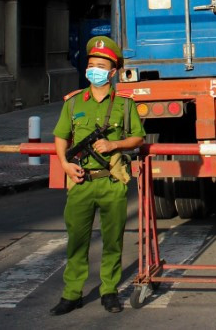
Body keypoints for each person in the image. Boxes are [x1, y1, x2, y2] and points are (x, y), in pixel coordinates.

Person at [50, 36, 145, 316]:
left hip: (111, 181)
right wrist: (65, 165)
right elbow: (60, 136)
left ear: (113, 71)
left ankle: (109, 291)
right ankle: (72, 294)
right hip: (81, 181)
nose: (95, 70)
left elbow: (138, 137)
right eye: (91, 64)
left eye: (101, 65)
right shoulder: (73, 102)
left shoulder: (125, 105)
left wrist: (114, 144)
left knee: (113, 241)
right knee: (77, 240)